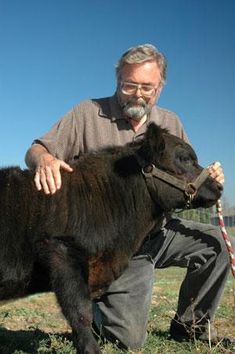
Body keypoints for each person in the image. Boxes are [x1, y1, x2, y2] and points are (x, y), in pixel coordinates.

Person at [25, 44, 230, 350]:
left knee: (216, 247)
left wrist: (210, 180)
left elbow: (187, 178)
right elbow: (36, 149)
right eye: (129, 85)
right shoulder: (87, 113)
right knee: (128, 341)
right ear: (117, 80)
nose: (137, 94)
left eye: (147, 87)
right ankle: (94, 308)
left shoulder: (171, 123)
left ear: (160, 87)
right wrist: (43, 159)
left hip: (160, 232)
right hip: (113, 247)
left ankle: (190, 327)